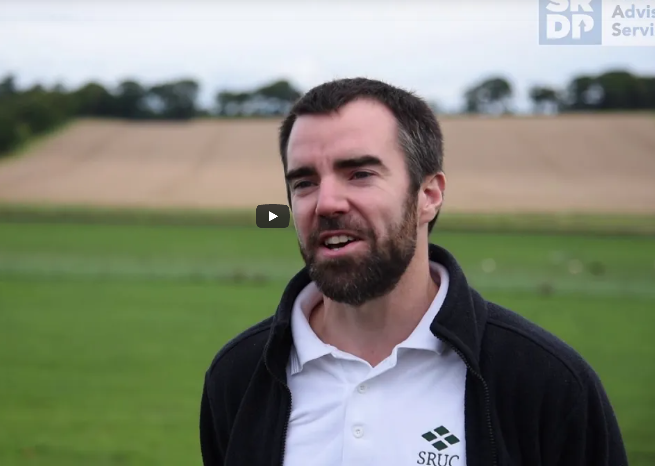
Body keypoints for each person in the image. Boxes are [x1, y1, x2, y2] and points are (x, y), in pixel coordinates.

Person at [199, 77, 627, 466]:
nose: (326, 202)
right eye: (304, 182)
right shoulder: (238, 376)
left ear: (428, 195)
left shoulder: (545, 382)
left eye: (360, 173)